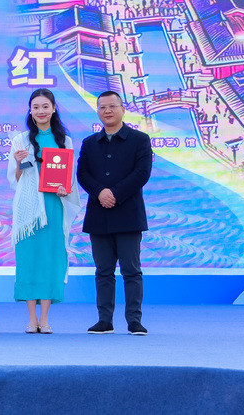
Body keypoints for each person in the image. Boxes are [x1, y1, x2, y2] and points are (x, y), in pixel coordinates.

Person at [76, 90, 152, 336]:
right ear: (98, 111)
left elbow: (142, 173)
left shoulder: (140, 139)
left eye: (112, 106)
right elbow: (82, 174)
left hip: (129, 214)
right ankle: (104, 320)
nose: (107, 111)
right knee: (103, 271)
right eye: (102, 107)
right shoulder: (90, 143)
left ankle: (134, 320)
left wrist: (115, 194)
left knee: (131, 271)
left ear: (123, 109)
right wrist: (100, 192)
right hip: (99, 215)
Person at [7, 89, 80, 334]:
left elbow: (69, 179)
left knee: (51, 258)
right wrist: (19, 162)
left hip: (53, 205)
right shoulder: (21, 140)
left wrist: (64, 188)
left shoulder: (64, 141)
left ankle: (45, 318)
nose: (41, 111)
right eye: (36, 107)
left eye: (45, 106)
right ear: (30, 110)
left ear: (54, 109)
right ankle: (31, 318)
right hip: (28, 210)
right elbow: (16, 179)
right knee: (28, 258)